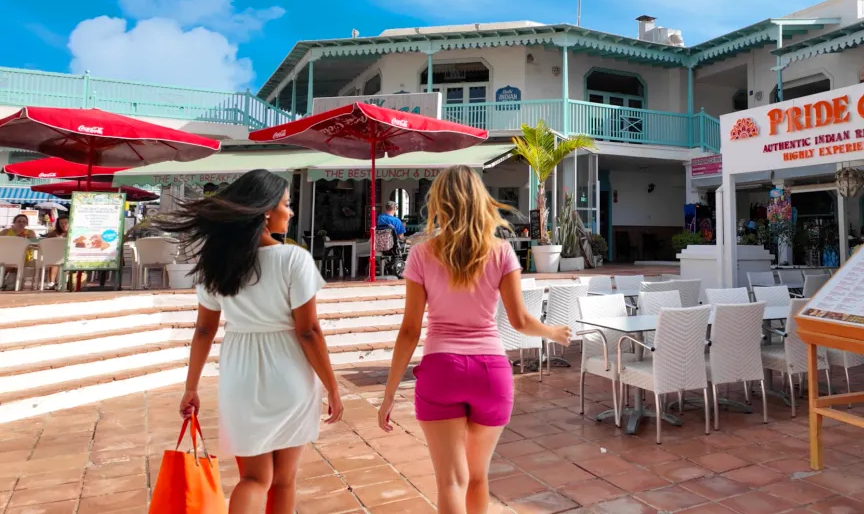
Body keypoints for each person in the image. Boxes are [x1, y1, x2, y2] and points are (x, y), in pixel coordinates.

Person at [378, 166, 569, 514]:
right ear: (480, 201)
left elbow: (409, 331)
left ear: (439, 202)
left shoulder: (421, 253)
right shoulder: (501, 252)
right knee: (478, 477)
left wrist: (389, 393)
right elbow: (520, 320)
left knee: (451, 481)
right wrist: (552, 332)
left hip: (441, 370)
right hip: (491, 372)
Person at [164, 169, 343, 514]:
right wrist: (332, 387)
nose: (290, 213)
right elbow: (308, 331)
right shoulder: (294, 259)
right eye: (286, 205)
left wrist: (191, 387)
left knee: (254, 479)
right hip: (289, 370)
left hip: (239, 372)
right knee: (284, 480)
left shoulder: (214, 265)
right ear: (265, 212)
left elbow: (204, 330)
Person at [0, 214, 39, 289]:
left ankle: (4, 282)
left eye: (24, 222)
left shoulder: (30, 233)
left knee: (14, 261)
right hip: (6, 254)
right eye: (19, 221)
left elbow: (34, 245)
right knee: (11, 261)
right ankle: (10, 284)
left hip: (25, 256)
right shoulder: (5, 231)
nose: (21, 223)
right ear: (14, 222)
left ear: (26, 223)